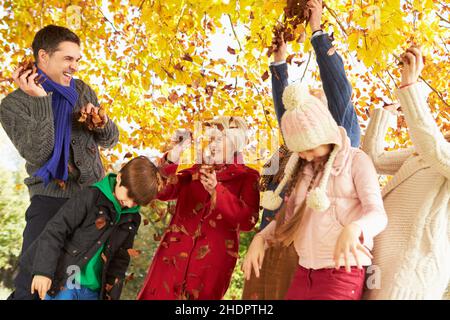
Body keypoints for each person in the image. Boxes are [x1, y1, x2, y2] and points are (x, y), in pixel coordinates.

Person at [242, 0, 362, 300]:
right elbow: (287, 113)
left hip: (308, 253)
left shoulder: (342, 138)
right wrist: (279, 63)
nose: (312, 100)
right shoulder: (296, 147)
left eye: (319, 100)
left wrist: (317, 29)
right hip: (271, 238)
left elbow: (337, 89)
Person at [0, 25, 119, 300]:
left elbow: (110, 140)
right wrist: (41, 101)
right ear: (44, 56)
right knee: (31, 281)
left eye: (77, 59)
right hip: (49, 200)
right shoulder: (13, 105)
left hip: (91, 198)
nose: (74, 66)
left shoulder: (82, 90)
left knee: (74, 283)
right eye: (68, 58)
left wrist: (101, 123)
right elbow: (38, 153)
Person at [137, 116, 260, 300]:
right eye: (211, 139)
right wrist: (174, 154)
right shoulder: (195, 170)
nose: (212, 144)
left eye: (219, 139)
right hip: (171, 260)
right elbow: (161, 190)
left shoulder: (248, 177)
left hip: (210, 268)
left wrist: (217, 191)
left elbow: (248, 221)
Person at [362, 46, 450, 300]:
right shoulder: (424, 153)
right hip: (379, 260)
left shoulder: (436, 152)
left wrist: (409, 87)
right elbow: (374, 160)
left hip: (411, 272)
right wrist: (383, 116)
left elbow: (432, 146)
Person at [20, 156, 160, 300]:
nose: (130, 204)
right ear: (119, 178)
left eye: (136, 202)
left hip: (94, 291)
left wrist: (110, 295)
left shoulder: (132, 218)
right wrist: (43, 271)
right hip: (66, 281)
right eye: (129, 195)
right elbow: (56, 230)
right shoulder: (91, 196)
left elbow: (120, 260)